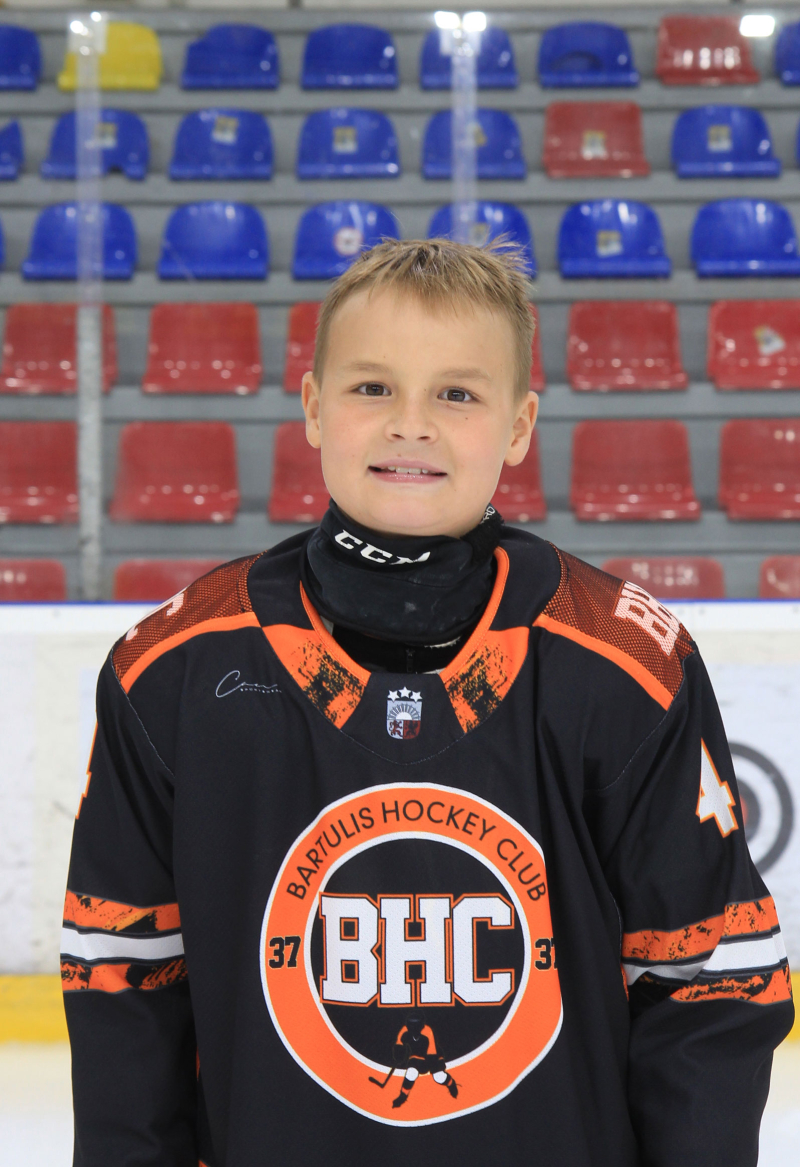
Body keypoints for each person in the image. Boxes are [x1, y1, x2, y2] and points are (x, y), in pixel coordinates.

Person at [62, 238, 793, 1166]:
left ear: (520, 425)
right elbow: (123, 981)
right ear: (312, 406)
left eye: (457, 393)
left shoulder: (624, 666)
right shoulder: (171, 670)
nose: (411, 425)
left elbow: (709, 982)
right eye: (372, 387)